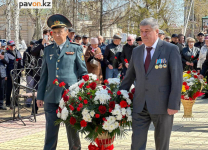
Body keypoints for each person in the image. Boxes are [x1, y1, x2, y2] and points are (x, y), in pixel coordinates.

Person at [119, 17, 183, 150]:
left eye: (147, 31)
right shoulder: (136, 51)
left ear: (156, 31)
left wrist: (174, 104)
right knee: (136, 143)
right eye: (141, 31)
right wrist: (118, 97)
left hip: (163, 105)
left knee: (161, 144)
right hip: (140, 104)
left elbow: (177, 78)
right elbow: (129, 77)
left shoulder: (170, 49)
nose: (143, 34)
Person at [37, 14, 88, 150]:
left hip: (70, 97)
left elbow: (83, 73)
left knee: (73, 133)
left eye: (60, 32)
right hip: (51, 96)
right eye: (54, 32)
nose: (57, 35)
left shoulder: (76, 48)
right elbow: (44, 75)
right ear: (51, 34)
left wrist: (83, 94)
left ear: (67, 32)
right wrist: (40, 96)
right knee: (50, 133)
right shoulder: (48, 50)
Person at [31, 29, 50, 114]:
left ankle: (48, 109)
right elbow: (33, 52)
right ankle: (34, 110)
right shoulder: (38, 43)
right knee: (36, 91)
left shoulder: (52, 44)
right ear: (43, 35)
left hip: (49, 71)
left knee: (49, 90)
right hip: (38, 71)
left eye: (49, 35)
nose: (47, 37)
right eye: (46, 35)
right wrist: (42, 45)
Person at [5, 40, 23, 108]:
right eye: (11, 45)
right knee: (9, 89)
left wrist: (22, 67)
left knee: (17, 89)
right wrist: (6, 75)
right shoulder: (6, 53)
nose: (13, 47)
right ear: (8, 46)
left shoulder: (17, 52)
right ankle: (8, 103)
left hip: (17, 73)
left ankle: (15, 102)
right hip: (10, 74)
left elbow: (20, 60)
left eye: (14, 45)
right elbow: (5, 65)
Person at [23, 40, 36, 107]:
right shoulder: (26, 52)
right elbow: (25, 62)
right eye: (32, 45)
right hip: (30, 72)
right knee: (29, 87)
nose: (33, 46)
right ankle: (28, 102)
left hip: (37, 72)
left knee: (36, 87)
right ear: (30, 45)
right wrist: (33, 67)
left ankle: (36, 102)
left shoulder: (37, 52)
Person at [0, 45, 9, 110]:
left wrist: (2, 58)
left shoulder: (2, 52)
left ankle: (1, 104)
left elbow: (7, 62)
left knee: (1, 89)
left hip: (1, 74)